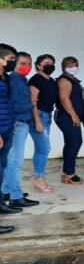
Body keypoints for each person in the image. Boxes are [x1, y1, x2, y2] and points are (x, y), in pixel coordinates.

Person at [2, 52, 40, 208]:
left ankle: (6, 191)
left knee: (11, 162)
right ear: (15, 64)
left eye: (29, 63)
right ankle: (16, 197)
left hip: (21, 123)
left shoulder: (20, 80)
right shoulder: (14, 81)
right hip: (17, 123)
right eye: (23, 63)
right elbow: (13, 105)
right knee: (15, 162)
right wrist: (31, 104)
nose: (27, 66)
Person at [28, 54, 58, 192]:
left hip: (47, 116)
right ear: (39, 66)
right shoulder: (36, 79)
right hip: (38, 116)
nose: (50, 65)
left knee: (40, 149)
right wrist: (37, 121)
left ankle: (40, 179)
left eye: (52, 63)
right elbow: (32, 101)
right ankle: (38, 179)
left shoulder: (51, 80)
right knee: (44, 148)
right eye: (46, 63)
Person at [55, 56, 84, 185]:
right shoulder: (64, 80)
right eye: (70, 65)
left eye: (75, 64)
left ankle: (66, 173)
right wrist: (74, 115)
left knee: (71, 143)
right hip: (66, 116)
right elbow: (64, 98)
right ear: (64, 67)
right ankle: (69, 173)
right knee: (75, 142)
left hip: (70, 116)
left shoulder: (73, 80)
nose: (74, 67)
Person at [0, 43, 18, 234]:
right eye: (10, 59)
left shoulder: (5, 78)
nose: (12, 62)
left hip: (6, 129)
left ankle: (0, 204)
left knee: (1, 171)